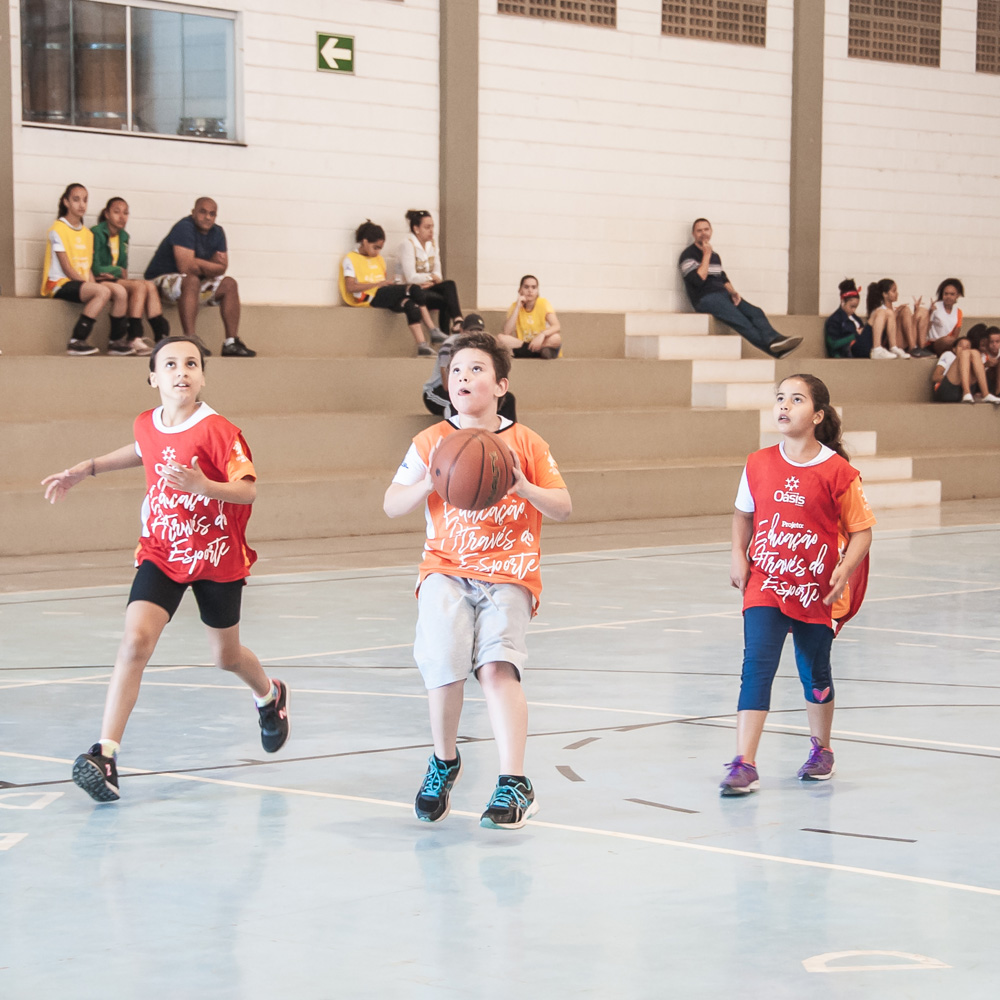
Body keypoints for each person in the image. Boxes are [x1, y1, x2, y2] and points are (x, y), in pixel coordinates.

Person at [40, 337, 288, 802]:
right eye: (170, 364)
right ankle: (105, 754)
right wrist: (87, 468)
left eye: (191, 363)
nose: (182, 371)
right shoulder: (146, 423)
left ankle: (269, 696)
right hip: (161, 551)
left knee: (225, 657)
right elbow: (142, 449)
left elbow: (247, 490)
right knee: (135, 642)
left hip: (216, 557)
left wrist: (203, 484)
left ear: (203, 376)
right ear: (153, 376)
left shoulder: (220, 430)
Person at [384, 331, 571, 829]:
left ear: (501, 385)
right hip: (445, 568)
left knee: (496, 669)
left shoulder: (526, 442)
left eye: (476, 369)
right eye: (457, 370)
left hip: (510, 572)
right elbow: (390, 503)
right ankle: (444, 761)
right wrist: (430, 479)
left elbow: (564, 507)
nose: (464, 377)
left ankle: (514, 781)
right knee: (444, 665)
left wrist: (525, 486)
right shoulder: (430, 442)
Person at [723, 374, 876, 796]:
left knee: (815, 672)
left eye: (796, 399)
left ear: (818, 415)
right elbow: (743, 515)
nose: (784, 406)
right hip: (766, 582)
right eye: (779, 399)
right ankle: (744, 761)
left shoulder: (839, 472)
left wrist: (844, 569)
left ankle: (821, 749)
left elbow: (862, 531)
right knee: (756, 667)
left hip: (815, 591)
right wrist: (739, 554)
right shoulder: (758, 462)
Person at [144, 197, 256, 358]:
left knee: (229, 283)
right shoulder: (184, 227)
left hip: (192, 284)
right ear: (193, 212)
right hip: (160, 284)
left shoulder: (218, 232)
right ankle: (190, 339)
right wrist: (210, 264)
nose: (208, 217)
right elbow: (186, 267)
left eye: (212, 214)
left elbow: (222, 268)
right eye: (203, 212)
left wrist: (196, 261)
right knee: (191, 279)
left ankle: (231, 342)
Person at [679, 219, 801, 359]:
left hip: (723, 295)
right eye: (699, 231)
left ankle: (776, 340)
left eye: (706, 229)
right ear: (693, 234)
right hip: (705, 299)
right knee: (741, 321)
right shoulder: (688, 255)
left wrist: (733, 292)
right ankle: (775, 350)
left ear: (711, 231)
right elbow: (698, 280)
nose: (703, 233)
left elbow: (722, 278)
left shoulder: (715, 256)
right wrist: (706, 254)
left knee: (755, 312)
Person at [41, 183, 129, 356]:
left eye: (85, 200)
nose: (81, 204)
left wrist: (93, 284)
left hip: (79, 282)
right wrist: (94, 288)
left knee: (120, 291)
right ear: (66, 202)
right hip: (59, 283)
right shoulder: (57, 229)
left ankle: (116, 342)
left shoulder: (87, 234)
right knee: (102, 292)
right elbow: (67, 268)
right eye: (76, 199)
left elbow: (86, 267)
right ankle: (76, 340)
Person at [340, 220, 441, 356]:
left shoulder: (379, 259)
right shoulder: (350, 259)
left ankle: (422, 346)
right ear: (364, 242)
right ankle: (433, 330)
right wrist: (378, 284)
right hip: (369, 297)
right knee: (414, 289)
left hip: (382, 293)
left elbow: (383, 283)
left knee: (410, 305)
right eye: (375, 247)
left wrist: (390, 285)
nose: (378, 252)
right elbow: (350, 287)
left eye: (380, 248)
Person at [92, 196, 171, 355]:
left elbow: (123, 269)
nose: (122, 217)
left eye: (126, 213)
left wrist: (116, 272)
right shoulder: (96, 233)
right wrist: (116, 272)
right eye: (116, 212)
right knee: (139, 285)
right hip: (98, 280)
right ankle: (134, 336)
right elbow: (96, 268)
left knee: (148, 285)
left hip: (113, 279)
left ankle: (161, 336)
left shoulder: (124, 237)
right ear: (107, 214)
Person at [422, 313, 517, 421]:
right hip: (436, 391)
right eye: (471, 331)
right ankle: (455, 433)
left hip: (468, 385)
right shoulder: (450, 345)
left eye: (479, 331)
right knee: (456, 401)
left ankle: (505, 435)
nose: (475, 334)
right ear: (462, 330)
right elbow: (446, 385)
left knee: (507, 398)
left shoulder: (482, 348)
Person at [397, 210, 464, 335]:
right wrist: (431, 278)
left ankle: (457, 320)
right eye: (427, 227)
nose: (431, 231)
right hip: (412, 290)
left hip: (428, 287)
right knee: (445, 299)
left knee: (449, 284)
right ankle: (446, 337)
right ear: (416, 229)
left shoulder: (432, 244)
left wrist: (432, 281)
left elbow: (439, 273)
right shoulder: (407, 245)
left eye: (432, 226)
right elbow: (411, 277)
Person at [865, 278, 933, 358]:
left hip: (903, 341)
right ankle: (913, 347)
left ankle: (920, 347)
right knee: (905, 310)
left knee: (922, 311)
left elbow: (908, 326)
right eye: (894, 291)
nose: (897, 293)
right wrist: (895, 314)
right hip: (890, 344)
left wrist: (917, 311)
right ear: (885, 294)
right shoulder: (880, 311)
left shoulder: (895, 309)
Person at [499, 275, 562, 358]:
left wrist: (542, 335)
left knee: (556, 338)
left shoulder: (543, 303)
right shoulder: (515, 306)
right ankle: (537, 352)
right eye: (526, 287)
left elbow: (556, 326)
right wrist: (518, 307)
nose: (530, 290)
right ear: (520, 290)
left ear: (537, 291)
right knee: (500, 338)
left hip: (540, 342)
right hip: (522, 343)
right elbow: (507, 331)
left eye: (533, 287)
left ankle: (526, 352)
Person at [929, 338, 1000, 404]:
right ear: (954, 349)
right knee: (964, 354)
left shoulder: (972, 356)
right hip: (947, 390)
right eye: (960, 346)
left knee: (975, 353)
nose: (964, 348)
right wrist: (959, 376)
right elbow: (935, 377)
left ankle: (985, 394)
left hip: (966, 392)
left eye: (967, 347)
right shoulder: (948, 355)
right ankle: (966, 392)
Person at [824, 279, 874, 358]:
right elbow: (833, 344)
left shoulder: (856, 319)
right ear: (843, 302)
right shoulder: (835, 320)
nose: (854, 310)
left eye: (856, 307)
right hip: (847, 353)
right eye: (852, 306)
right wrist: (855, 335)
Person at [927, 278, 965, 357]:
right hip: (933, 343)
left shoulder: (958, 312)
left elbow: (955, 335)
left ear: (957, 295)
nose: (948, 297)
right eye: (946, 294)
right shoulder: (935, 306)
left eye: (952, 294)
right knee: (948, 340)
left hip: (949, 344)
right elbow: (925, 328)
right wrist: (930, 313)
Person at [982, 326, 1000, 395]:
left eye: (997, 342)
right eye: (991, 342)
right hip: (987, 383)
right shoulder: (983, 354)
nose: (994, 345)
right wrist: (985, 365)